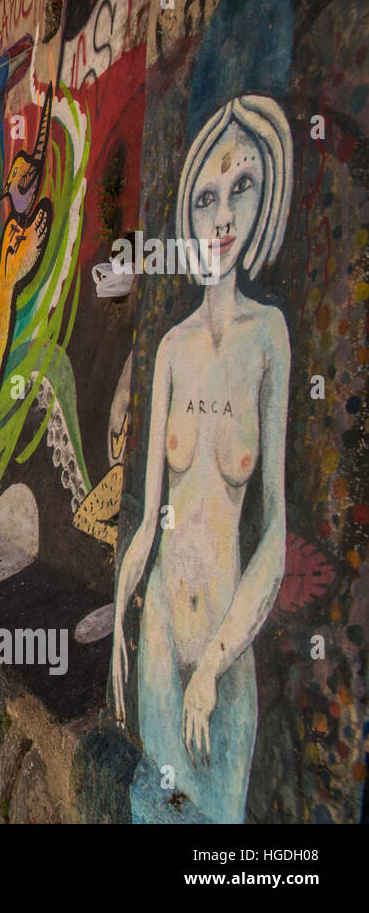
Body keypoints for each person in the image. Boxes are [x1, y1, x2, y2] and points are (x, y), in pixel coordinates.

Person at [112, 95, 292, 823]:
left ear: (263, 198)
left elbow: (275, 530)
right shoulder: (172, 350)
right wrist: (120, 611)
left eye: (241, 189)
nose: (222, 218)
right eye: (207, 199)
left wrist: (215, 662)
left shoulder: (269, 338)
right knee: (157, 813)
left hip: (227, 638)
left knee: (219, 829)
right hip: (157, 631)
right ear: (188, 215)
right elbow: (152, 514)